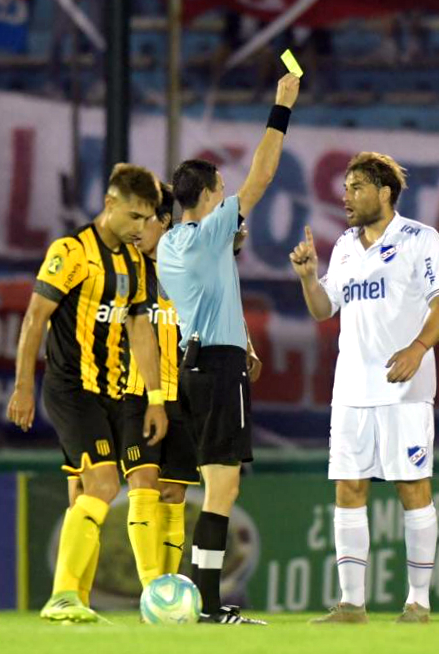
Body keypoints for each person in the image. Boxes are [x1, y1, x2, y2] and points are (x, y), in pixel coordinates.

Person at [156, 73, 300, 625]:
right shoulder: (209, 232)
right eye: (220, 188)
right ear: (208, 196)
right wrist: (281, 107)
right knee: (223, 486)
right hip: (217, 369)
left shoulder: (171, 244)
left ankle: (201, 599)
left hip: (193, 364)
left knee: (214, 484)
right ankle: (208, 602)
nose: (226, 194)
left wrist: (243, 340)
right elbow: (263, 176)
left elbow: (211, 292)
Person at [289, 152, 439, 625]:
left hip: (404, 388)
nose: (345, 196)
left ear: (384, 192)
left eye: (356, 186)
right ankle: (351, 605)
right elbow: (324, 309)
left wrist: (418, 348)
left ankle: (418, 602)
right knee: (349, 488)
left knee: (412, 487)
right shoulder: (344, 245)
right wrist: (308, 279)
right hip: (351, 390)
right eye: (345, 187)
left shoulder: (421, 239)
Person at [7, 164, 169, 624]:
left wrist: (155, 397)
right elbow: (35, 318)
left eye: (147, 219)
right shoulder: (71, 252)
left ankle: (74, 599)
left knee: (84, 493)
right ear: (109, 204)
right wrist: (23, 386)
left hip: (114, 393)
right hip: (71, 388)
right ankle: (61, 597)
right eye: (134, 216)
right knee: (104, 484)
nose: (141, 227)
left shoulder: (134, 263)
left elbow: (140, 330)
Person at [121, 184, 200, 587]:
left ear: (166, 221)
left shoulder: (190, 270)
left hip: (183, 396)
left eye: (144, 218)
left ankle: (168, 589)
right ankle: (152, 590)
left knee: (173, 494)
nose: (136, 228)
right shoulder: (124, 272)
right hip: (135, 393)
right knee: (143, 484)